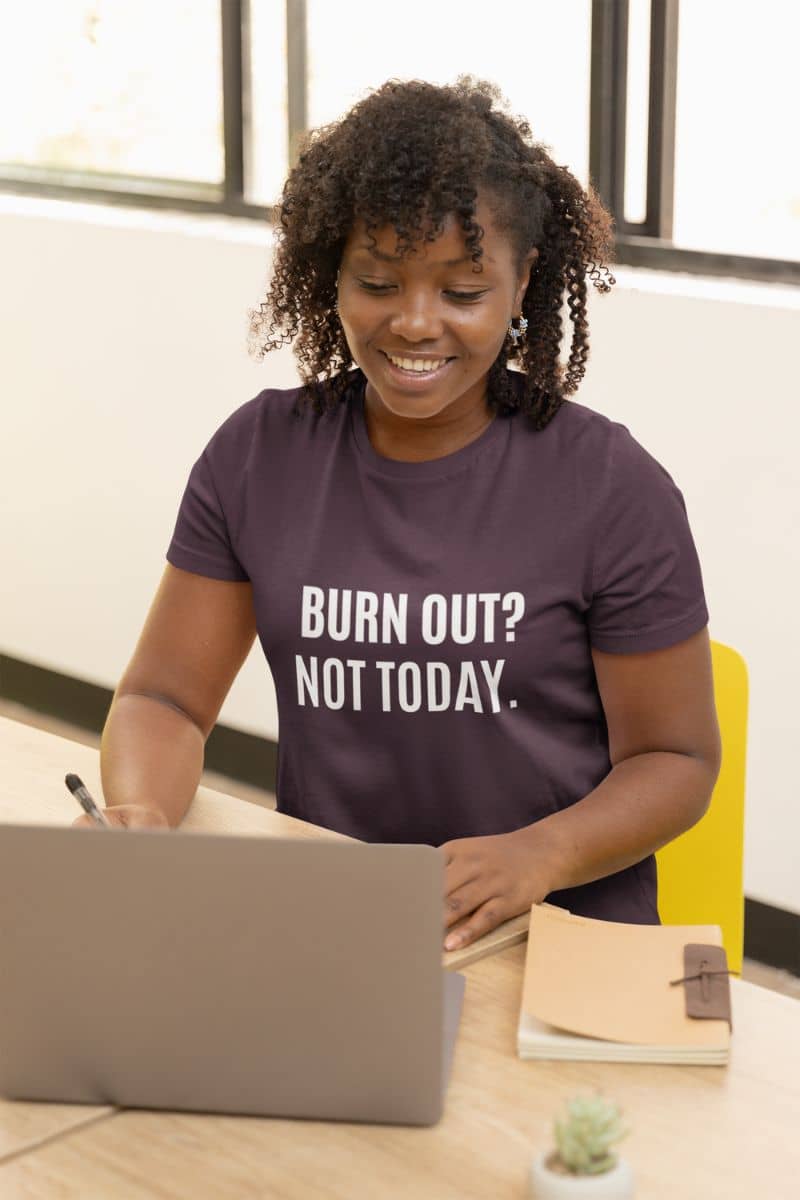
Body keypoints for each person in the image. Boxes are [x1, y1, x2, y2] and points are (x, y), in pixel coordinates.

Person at [79, 77, 721, 952]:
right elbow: (165, 697)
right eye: (378, 282)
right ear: (332, 274)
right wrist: (141, 812)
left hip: (556, 939)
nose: (416, 324)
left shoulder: (610, 486)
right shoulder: (259, 456)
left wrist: (539, 854)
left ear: (522, 280)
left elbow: (677, 761)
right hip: (348, 929)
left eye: (462, 293)